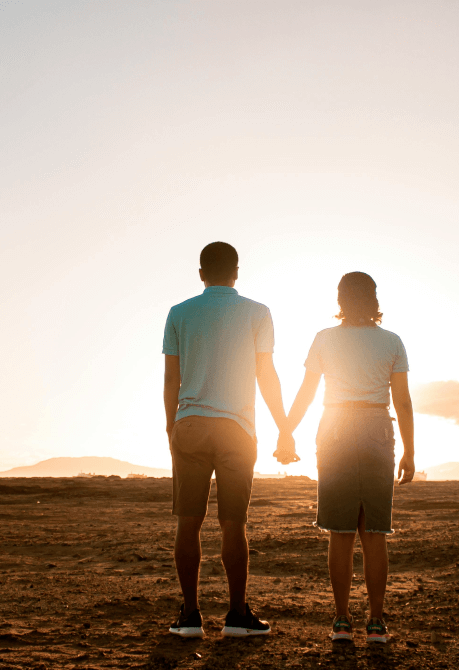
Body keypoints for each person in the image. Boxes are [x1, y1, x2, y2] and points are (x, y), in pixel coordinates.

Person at [162, 242, 297, 639]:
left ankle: (190, 616)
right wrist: (284, 428)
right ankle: (237, 615)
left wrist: (171, 427)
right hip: (238, 429)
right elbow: (266, 375)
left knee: (188, 524)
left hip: (190, 424)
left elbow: (172, 379)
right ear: (236, 272)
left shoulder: (179, 313)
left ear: (201, 273)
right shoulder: (257, 313)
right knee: (232, 525)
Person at [284, 271, 415, 644]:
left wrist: (286, 429)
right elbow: (402, 402)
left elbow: (307, 392)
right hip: (377, 424)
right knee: (374, 532)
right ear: (374, 300)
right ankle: (376, 623)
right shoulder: (392, 341)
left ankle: (342, 621)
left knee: (340, 533)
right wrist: (410, 449)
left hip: (336, 425)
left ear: (340, 300)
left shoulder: (324, 339)